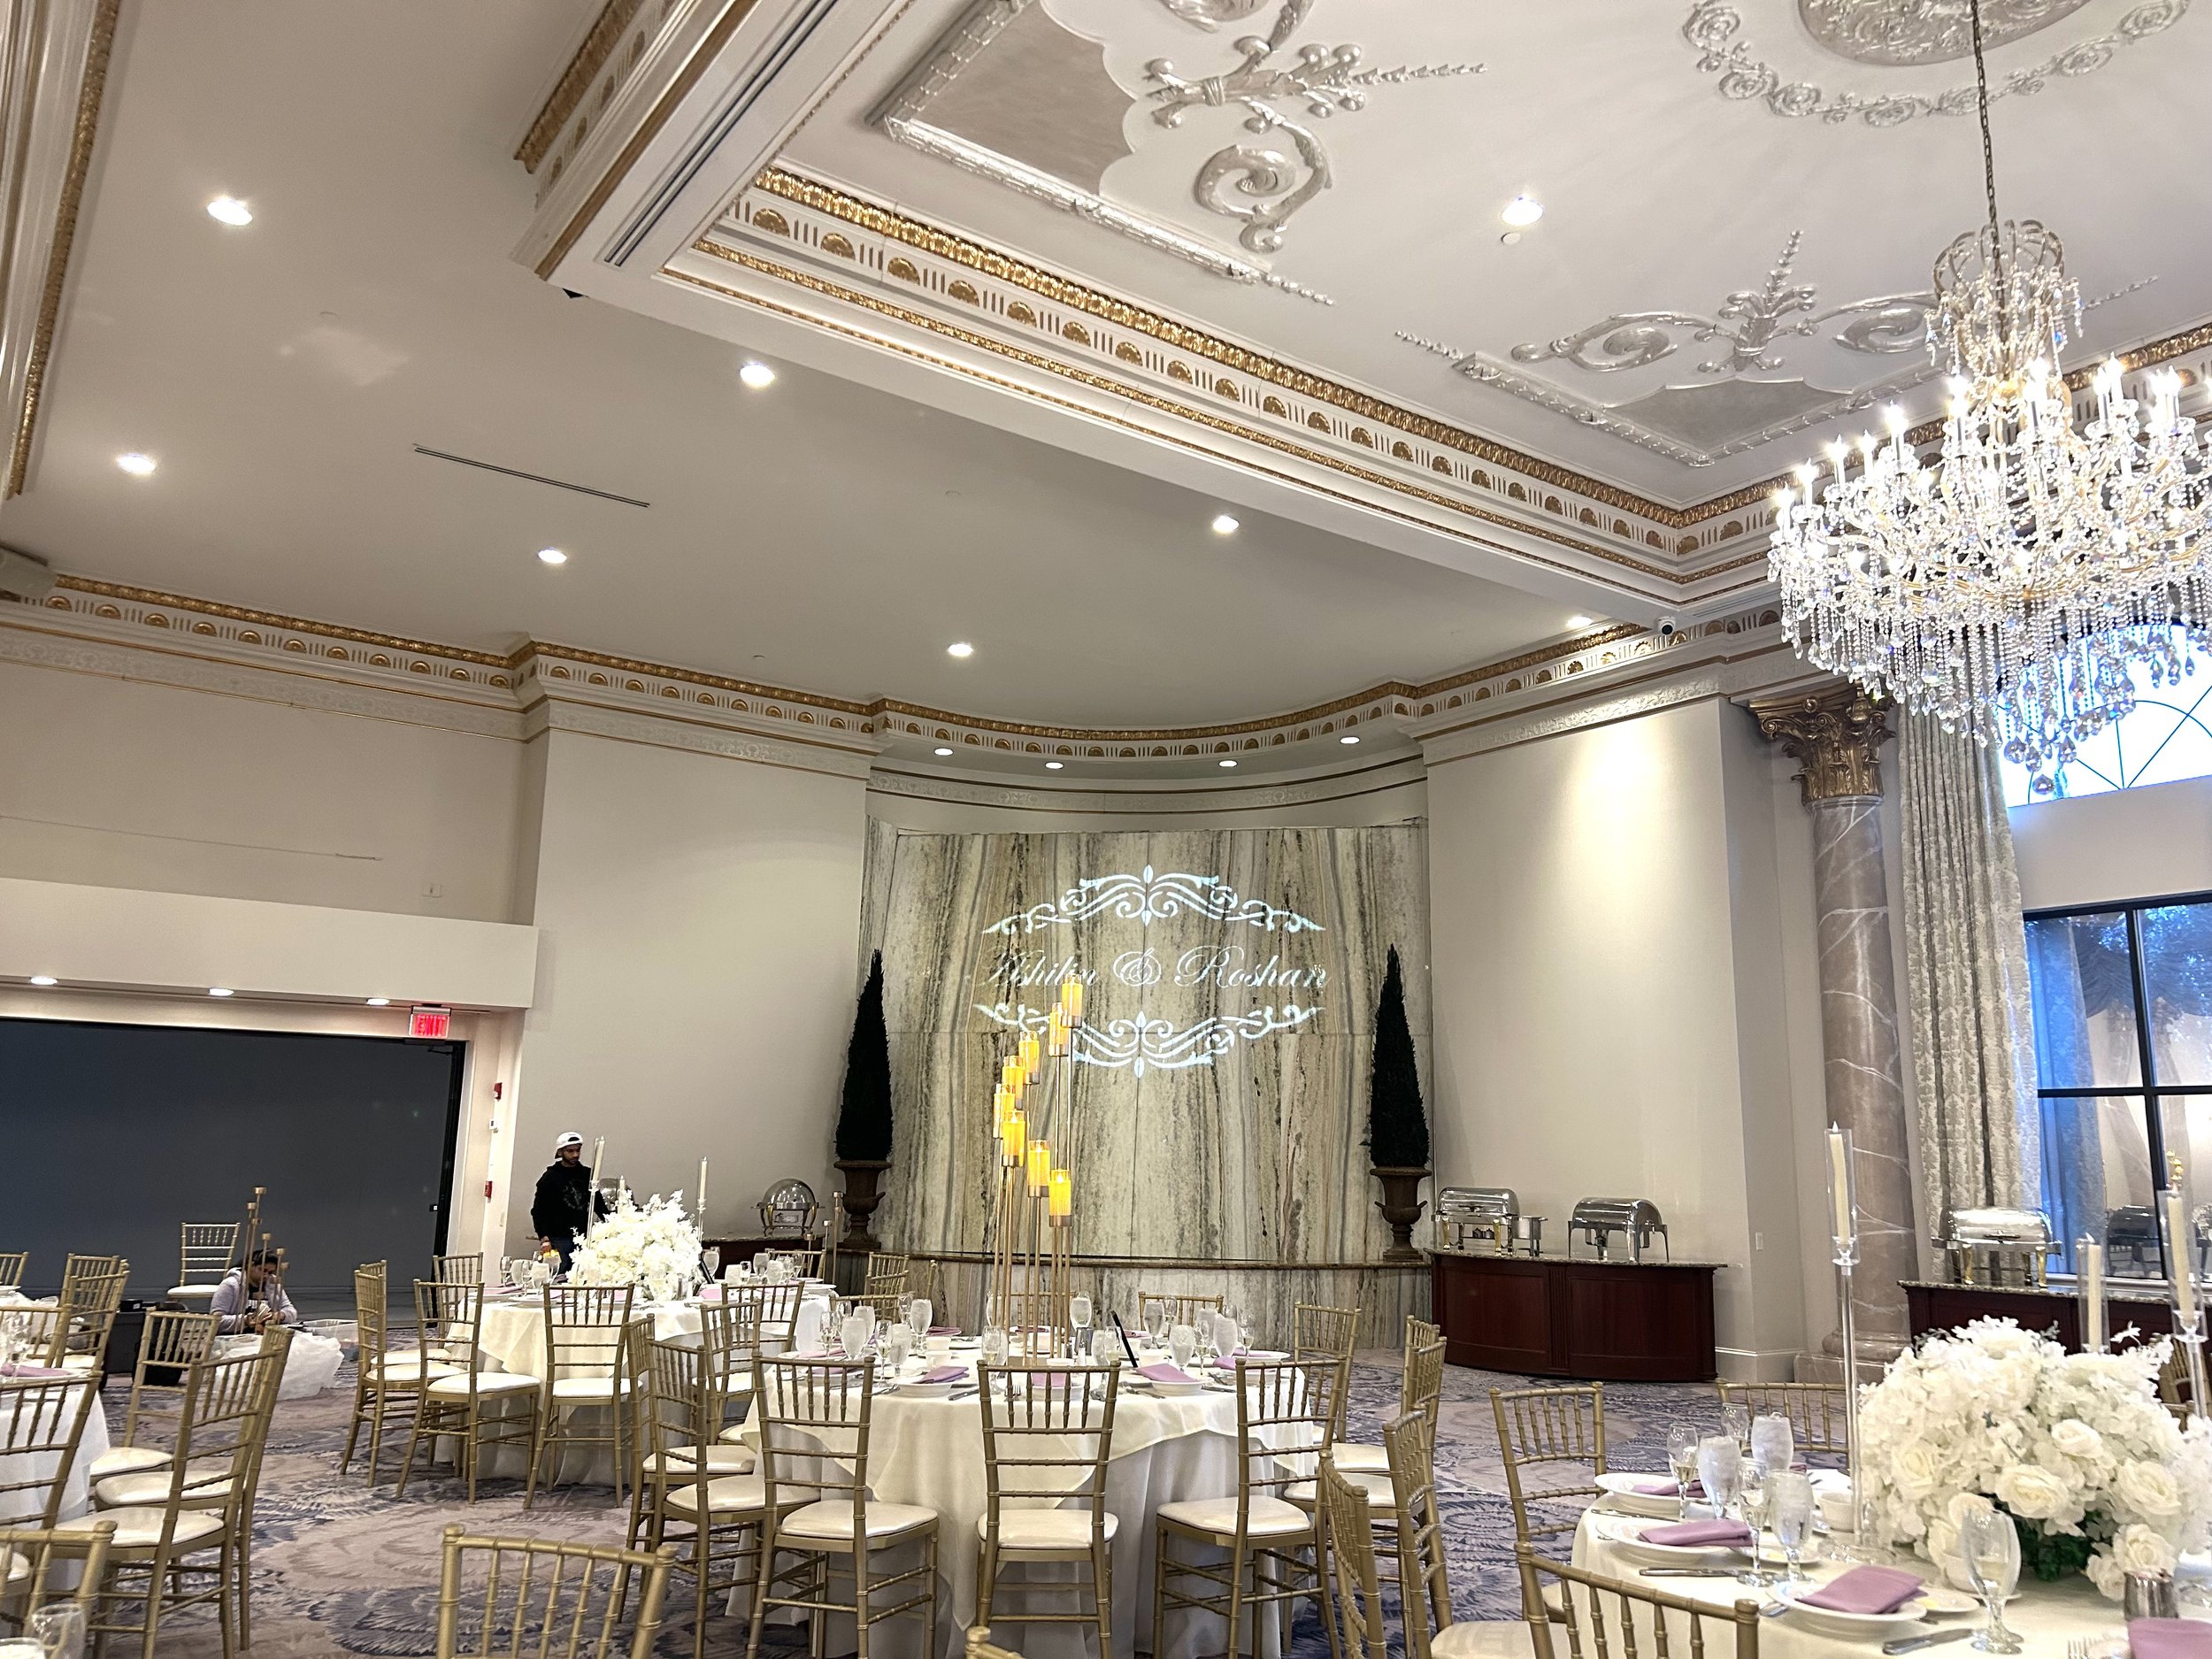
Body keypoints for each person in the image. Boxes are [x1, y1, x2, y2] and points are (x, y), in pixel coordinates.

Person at [532, 1131, 610, 1273]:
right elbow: (538, 1211)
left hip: (583, 1237)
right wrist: (544, 1238)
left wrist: (611, 1225)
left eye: (578, 1150)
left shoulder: (587, 1175)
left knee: (582, 1274)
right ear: (561, 1152)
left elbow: (598, 1204)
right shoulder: (550, 1177)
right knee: (558, 1275)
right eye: (570, 1151)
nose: (575, 1155)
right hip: (559, 1237)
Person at [209, 1248, 301, 1335]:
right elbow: (216, 1320)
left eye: (270, 1272)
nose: (266, 1275)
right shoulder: (230, 1285)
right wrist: (245, 1320)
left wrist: (281, 1315)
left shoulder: (273, 1285)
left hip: (265, 1336)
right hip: (236, 1337)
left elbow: (291, 1311)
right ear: (250, 1266)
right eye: (263, 1270)